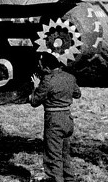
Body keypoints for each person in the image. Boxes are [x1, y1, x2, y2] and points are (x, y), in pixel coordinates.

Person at [30, 53, 81, 182]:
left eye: (41, 66)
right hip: (67, 119)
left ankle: (56, 179)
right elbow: (77, 94)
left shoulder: (47, 80)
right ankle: (69, 178)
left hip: (54, 120)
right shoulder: (70, 77)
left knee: (53, 154)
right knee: (65, 152)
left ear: (47, 68)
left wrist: (35, 87)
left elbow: (35, 101)